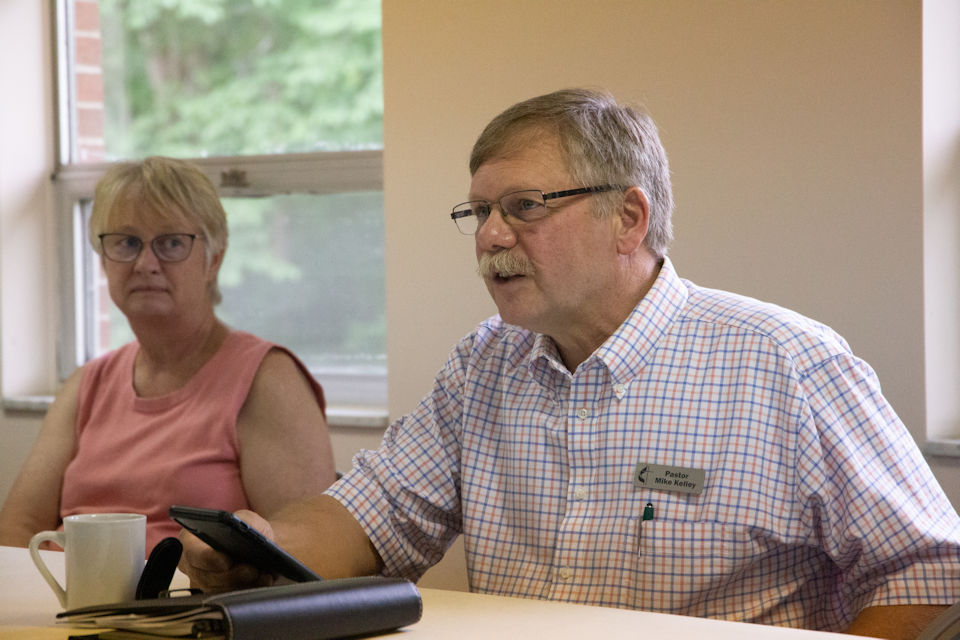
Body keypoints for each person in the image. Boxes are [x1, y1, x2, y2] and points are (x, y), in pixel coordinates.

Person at [178, 90, 960, 639]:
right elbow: (367, 515)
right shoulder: (484, 366)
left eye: (524, 206)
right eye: (478, 211)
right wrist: (261, 547)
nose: (489, 236)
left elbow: (930, 576)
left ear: (628, 217)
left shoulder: (785, 363)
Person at [0, 156, 337, 553]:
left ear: (214, 259)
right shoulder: (87, 384)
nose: (146, 264)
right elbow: (17, 529)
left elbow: (308, 557)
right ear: (104, 260)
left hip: (189, 610)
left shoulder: (267, 380)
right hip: (60, 605)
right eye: (126, 243)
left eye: (172, 243)